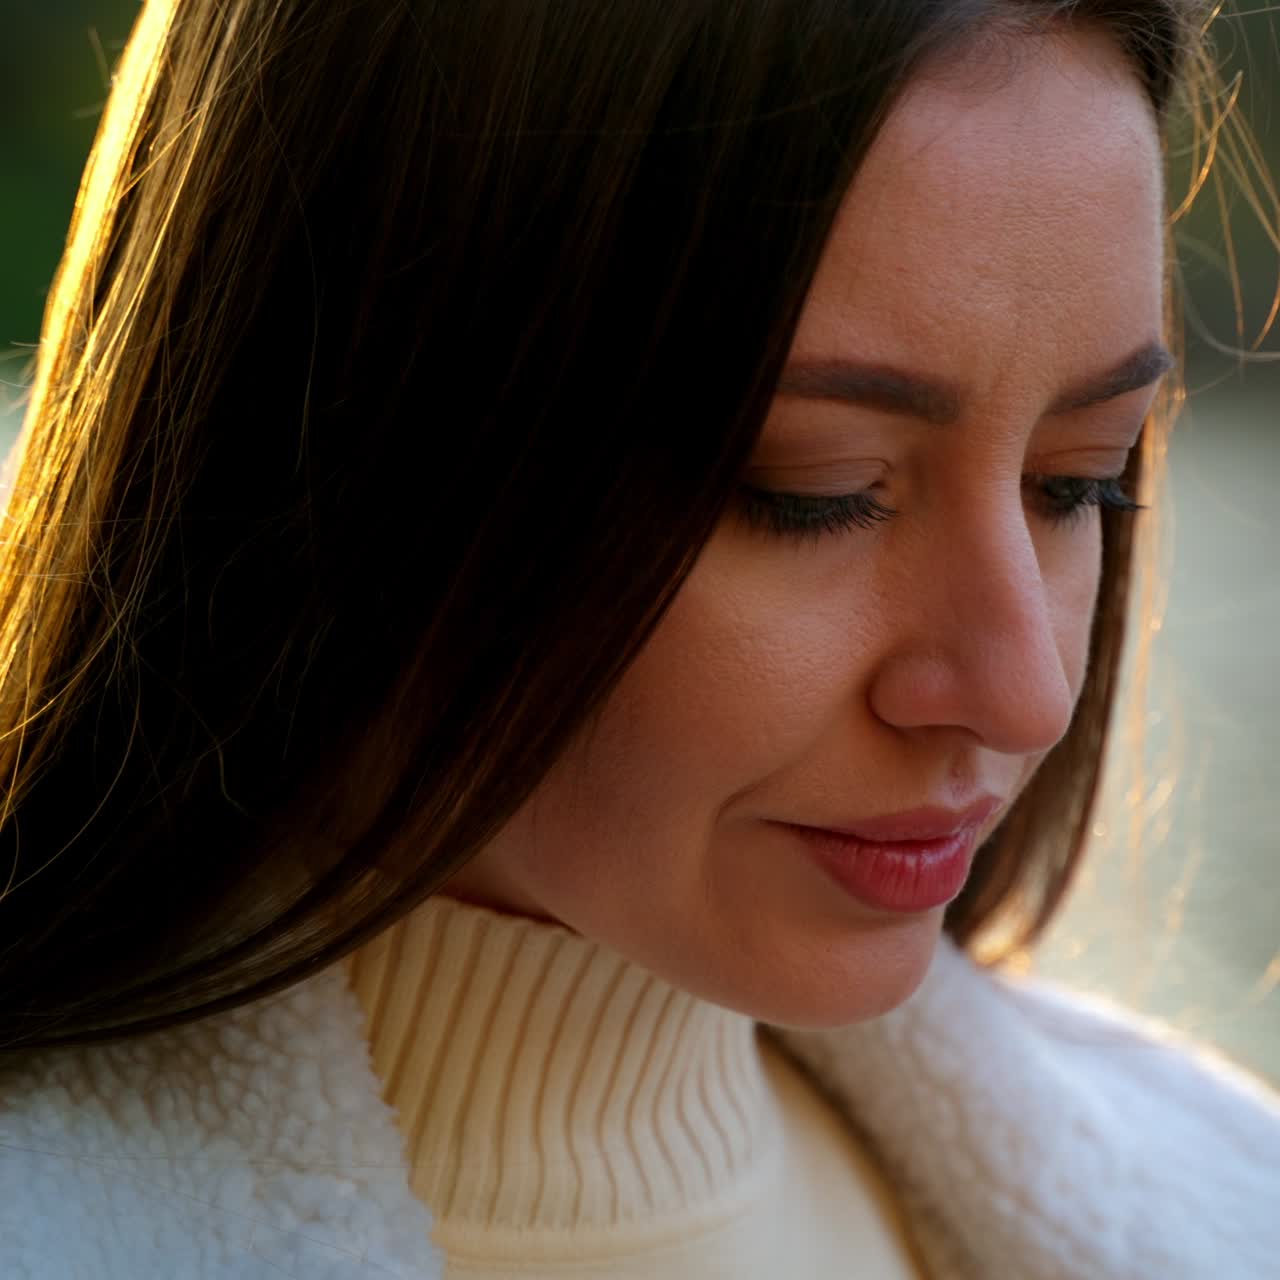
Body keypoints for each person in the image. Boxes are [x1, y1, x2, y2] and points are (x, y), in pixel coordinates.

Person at [0, 0, 1276, 1275]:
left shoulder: (1231, 1206)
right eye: (812, 487)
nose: (1024, 693)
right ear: (331, 419)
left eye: (1080, 480)